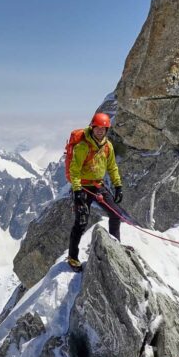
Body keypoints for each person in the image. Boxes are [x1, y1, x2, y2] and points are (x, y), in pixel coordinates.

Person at [66, 112, 124, 270]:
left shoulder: (107, 146)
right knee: (81, 222)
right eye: (97, 128)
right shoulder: (83, 146)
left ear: (106, 130)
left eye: (103, 128)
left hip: (98, 186)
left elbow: (112, 167)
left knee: (115, 213)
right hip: (83, 187)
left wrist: (117, 185)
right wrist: (77, 191)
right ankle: (72, 257)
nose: (100, 131)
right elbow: (74, 170)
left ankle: (116, 246)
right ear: (92, 128)